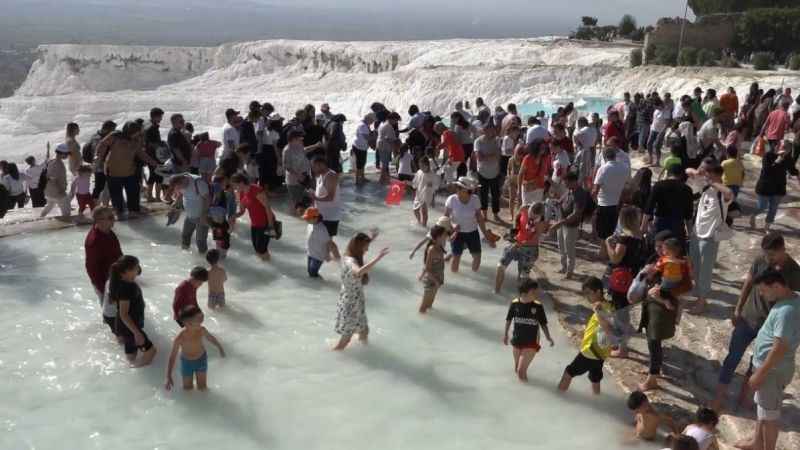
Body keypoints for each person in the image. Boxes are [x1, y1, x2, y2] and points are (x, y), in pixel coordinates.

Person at [712, 233, 800, 411]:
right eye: (766, 254)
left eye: (771, 255)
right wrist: (738, 308)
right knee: (732, 358)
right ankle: (719, 398)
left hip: (768, 326)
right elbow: (749, 283)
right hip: (747, 317)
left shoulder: (794, 271)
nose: (768, 258)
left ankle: (744, 398)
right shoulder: (760, 259)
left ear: (783, 249)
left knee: (756, 362)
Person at [734, 269, 800, 450]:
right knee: (763, 408)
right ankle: (757, 442)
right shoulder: (795, 298)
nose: (761, 294)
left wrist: (760, 374)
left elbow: (780, 348)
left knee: (770, 416)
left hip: (771, 370)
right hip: (775, 368)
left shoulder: (785, 312)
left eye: (763, 290)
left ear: (777, 286)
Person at [688, 159, 733, 314]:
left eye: (707, 172)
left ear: (715, 174)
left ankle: (702, 302)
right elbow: (687, 170)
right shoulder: (705, 188)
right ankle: (699, 295)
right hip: (696, 234)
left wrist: (712, 182)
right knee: (694, 267)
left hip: (710, 237)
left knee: (705, 271)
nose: (704, 174)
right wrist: (700, 173)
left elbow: (729, 193)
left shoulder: (722, 193)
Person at [333, 233, 390, 350]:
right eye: (366, 247)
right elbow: (358, 272)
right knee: (346, 339)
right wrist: (378, 258)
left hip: (356, 301)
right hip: (350, 304)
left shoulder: (349, 256)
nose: (367, 250)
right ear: (358, 246)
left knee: (364, 331)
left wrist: (372, 237)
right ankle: (332, 356)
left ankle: (366, 355)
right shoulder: (350, 261)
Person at [559, 277, 615, 395]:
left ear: (598, 292)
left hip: (590, 351)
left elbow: (608, 329)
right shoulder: (606, 306)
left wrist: (598, 312)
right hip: (600, 353)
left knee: (568, 372)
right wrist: (584, 333)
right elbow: (599, 328)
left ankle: (558, 397)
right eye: (585, 294)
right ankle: (597, 401)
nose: (587, 297)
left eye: (589, 293)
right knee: (595, 377)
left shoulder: (602, 308)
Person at [95, 121, 159, 218]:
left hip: (129, 171)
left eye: (138, 132)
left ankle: (133, 211)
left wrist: (154, 163)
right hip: (113, 171)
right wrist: (98, 158)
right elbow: (102, 144)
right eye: (136, 131)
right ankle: (119, 212)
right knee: (116, 194)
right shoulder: (115, 135)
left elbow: (141, 154)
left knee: (134, 191)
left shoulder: (136, 140)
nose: (137, 133)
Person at [605, 206, 644, 358]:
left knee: (620, 313)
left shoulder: (624, 238)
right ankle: (619, 343)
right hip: (633, 279)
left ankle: (622, 349)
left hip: (621, 279)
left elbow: (615, 258)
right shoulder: (641, 236)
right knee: (623, 312)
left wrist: (608, 244)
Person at [108, 255, 156, 367]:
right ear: (126, 271)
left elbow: (116, 304)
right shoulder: (128, 287)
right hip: (130, 326)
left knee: (131, 352)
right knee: (152, 351)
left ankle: (129, 366)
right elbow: (124, 314)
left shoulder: (116, 282)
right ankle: (135, 369)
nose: (138, 269)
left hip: (122, 325)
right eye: (136, 267)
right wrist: (137, 333)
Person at [503, 279, 554, 382]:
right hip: (517, 340)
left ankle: (524, 392)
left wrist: (548, 337)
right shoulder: (514, 304)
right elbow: (508, 319)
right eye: (534, 291)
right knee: (516, 369)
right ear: (524, 292)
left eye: (537, 291)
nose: (537, 293)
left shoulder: (538, 306)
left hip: (531, 342)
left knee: (520, 371)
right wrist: (505, 335)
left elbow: (543, 323)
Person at [165, 306, 225, 392]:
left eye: (202, 319)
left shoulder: (201, 330)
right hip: (187, 363)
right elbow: (172, 357)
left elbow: (211, 338)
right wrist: (168, 376)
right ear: (188, 323)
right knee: (188, 389)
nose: (201, 323)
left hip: (201, 360)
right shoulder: (180, 338)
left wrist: (219, 347)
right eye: (199, 320)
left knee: (202, 387)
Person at [84, 207, 123, 337]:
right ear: (99, 221)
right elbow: (91, 269)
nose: (114, 220)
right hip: (105, 284)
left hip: (115, 278)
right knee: (110, 316)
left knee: (118, 311)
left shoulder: (108, 232)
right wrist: (105, 291)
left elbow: (118, 253)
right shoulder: (94, 241)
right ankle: (113, 337)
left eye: (113, 216)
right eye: (110, 217)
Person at [445, 176, 497, 273]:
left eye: (472, 191)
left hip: (472, 232)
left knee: (477, 256)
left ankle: (474, 276)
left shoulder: (475, 199)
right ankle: (455, 279)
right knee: (456, 257)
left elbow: (480, 219)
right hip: (457, 233)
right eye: (469, 191)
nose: (471, 193)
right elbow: (445, 219)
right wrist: (451, 228)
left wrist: (487, 237)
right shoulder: (451, 200)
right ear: (459, 189)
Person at [495, 202, 548, 293]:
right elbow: (518, 216)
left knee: (523, 277)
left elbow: (533, 238)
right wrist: (514, 230)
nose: (531, 217)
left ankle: (521, 300)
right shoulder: (524, 208)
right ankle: (496, 292)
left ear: (540, 215)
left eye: (534, 217)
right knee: (501, 266)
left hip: (529, 249)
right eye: (530, 214)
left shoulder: (542, 222)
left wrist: (519, 244)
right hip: (517, 242)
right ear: (529, 208)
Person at [550, 172, 592, 279]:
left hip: (571, 226)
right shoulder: (569, 190)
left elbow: (576, 214)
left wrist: (560, 223)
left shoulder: (580, 194)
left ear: (573, 181)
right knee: (561, 247)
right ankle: (564, 267)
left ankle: (569, 271)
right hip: (562, 222)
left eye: (567, 183)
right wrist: (556, 202)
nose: (565, 185)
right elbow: (561, 201)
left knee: (569, 250)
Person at [593, 147, 629, 260]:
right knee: (612, 229)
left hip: (603, 203)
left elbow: (595, 190)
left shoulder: (603, 169)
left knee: (602, 231)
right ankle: (609, 252)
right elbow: (626, 187)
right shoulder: (624, 168)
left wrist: (594, 202)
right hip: (617, 203)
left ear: (604, 157)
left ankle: (603, 252)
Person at [750, 149, 798, 232]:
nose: (784, 149)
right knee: (762, 207)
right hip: (765, 186)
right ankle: (753, 216)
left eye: (787, 147)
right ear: (775, 146)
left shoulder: (788, 157)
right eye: (781, 145)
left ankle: (767, 227)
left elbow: (792, 170)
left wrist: (797, 173)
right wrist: (778, 160)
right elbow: (767, 171)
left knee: (773, 208)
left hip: (779, 187)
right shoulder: (768, 155)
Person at [642, 164, 693, 242]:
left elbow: (649, 207)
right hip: (678, 225)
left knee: (659, 249)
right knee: (675, 251)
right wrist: (690, 233)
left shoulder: (658, 186)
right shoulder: (687, 189)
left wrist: (644, 225)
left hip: (661, 223)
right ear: (681, 175)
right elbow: (688, 214)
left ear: (668, 173)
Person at [231, 173, 276, 261]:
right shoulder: (241, 194)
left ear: (241, 183)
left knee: (261, 249)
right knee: (257, 248)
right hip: (255, 223)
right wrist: (234, 216)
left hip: (266, 222)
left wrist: (271, 225)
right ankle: (267, 264)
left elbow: (267, 207)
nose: (234, 188)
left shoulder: (255, 189)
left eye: (235, 185)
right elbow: (242, 211)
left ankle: (268, 264)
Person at [169, 174, 210, 254]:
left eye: (179, 187)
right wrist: (175, 206)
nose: (179, 189)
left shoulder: (198, 183)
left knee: (200, 240)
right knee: (185, 236)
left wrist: (204, 215)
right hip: (189, 215)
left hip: (201, 216)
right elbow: (180, 195)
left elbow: (207, 199)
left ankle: (203, 259)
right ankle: (184, 254)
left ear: (182, 181)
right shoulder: (180, 184)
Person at [309, 156, 343, 239]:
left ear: (321, 165)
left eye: (313, 166)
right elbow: (319, 194)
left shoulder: (331, 176)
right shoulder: (319, 176)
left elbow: (331, 197)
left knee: (328, 243)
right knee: (319, 242)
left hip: (330, 216)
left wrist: (315, 198)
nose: (312, 169)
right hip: (320, 215)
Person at [418, 225, 448, 314]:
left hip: (438, 278)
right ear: (438, 237)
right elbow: (428, 268)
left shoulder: (440, 247)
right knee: (424, 306)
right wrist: (435, 281)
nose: (446, 237)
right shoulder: (432, 249)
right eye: (444, 235)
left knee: (430, 304)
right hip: (432, 280)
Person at [304, 207, 340, 278]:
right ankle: (318, 283)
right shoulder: (310, 225)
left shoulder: (322, 230)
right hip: (310, 253)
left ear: (315, 218)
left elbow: (331, 244)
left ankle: (320, 285)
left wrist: (337, 257)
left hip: (318, 256)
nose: (306, 220)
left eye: (308, 218)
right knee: (310, 272)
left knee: (312, 274)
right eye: (306, 218)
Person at [283, 129, 312, 214]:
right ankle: (297, 220)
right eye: (299, 138)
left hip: (305, 176)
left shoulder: (299, 145)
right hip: (294, 181)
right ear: (293, 139)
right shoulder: (287, 150)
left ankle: (305, 217)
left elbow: (304, 150)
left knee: (307, 200)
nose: (301, 139)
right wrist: (298, 175)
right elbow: (287, 167)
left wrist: (316, 146)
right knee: (298, 203)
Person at [40, 143, 71, 218]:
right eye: (66, 154)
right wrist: (61, 190)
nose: (67, 156)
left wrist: (48, 148)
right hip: (57, 192)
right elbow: (54, 179)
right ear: (62, 153)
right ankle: (65, 225)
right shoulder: (59, 164)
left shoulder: (51, 161)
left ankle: (41, 218)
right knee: (67, 211)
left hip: (48, 190)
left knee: (50, 205)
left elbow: (48, 176)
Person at [519, 139, 551, 206]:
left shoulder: (545, 159)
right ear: (536, 147)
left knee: (536, 211)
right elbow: (521, 174)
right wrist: (519, 190)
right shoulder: (528, 158)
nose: (543, 149)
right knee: (526, 209)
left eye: (545, 148)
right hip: (527, 188)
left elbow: (544, 174)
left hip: (539, 188)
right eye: (542, 148)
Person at [411, 157, 441, 227]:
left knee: (424, 212)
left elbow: (435, 188)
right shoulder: (419, 172)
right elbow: (414, 184)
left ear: (427, 165)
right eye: (420, 166)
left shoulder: (433, 175)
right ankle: (419, 222)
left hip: (427, 195)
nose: (421, 168)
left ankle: (424, 226)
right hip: (418, 194)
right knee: (415, 210)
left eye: (422, 166)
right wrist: (407, 182)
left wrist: (433, 200)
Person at [144, 108, 164, 202]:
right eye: (160, 116)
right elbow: (150, 143)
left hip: (149, 154)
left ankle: (150, 196)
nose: (161, 118)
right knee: (158, 175)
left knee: (153, 175)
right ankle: (156, 197)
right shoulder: (152, 127)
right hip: (154, 154)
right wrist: (160, 145)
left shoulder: (147, 124)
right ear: (155, 116)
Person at [377, 112, 401, 184]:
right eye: (396, 120)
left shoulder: (384, 124)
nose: (396, 122)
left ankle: (383, 179)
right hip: (384, 146)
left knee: (385, 164)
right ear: (392, 119)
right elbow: (388, 138)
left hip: (382, 146)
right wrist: (395, 147)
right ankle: (382, 180)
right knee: (385, 164)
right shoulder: (388, 126)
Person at [352, 113, 375, 184]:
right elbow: (366, 137)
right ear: (368, 119)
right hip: (359, 147)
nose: (372, 122)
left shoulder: (365, 125)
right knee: (359, 164)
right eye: (372, 120)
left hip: (362, 147)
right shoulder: (363, 126)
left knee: (362, 163)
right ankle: (357, 180)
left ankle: (362, 177)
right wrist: (374, 139)